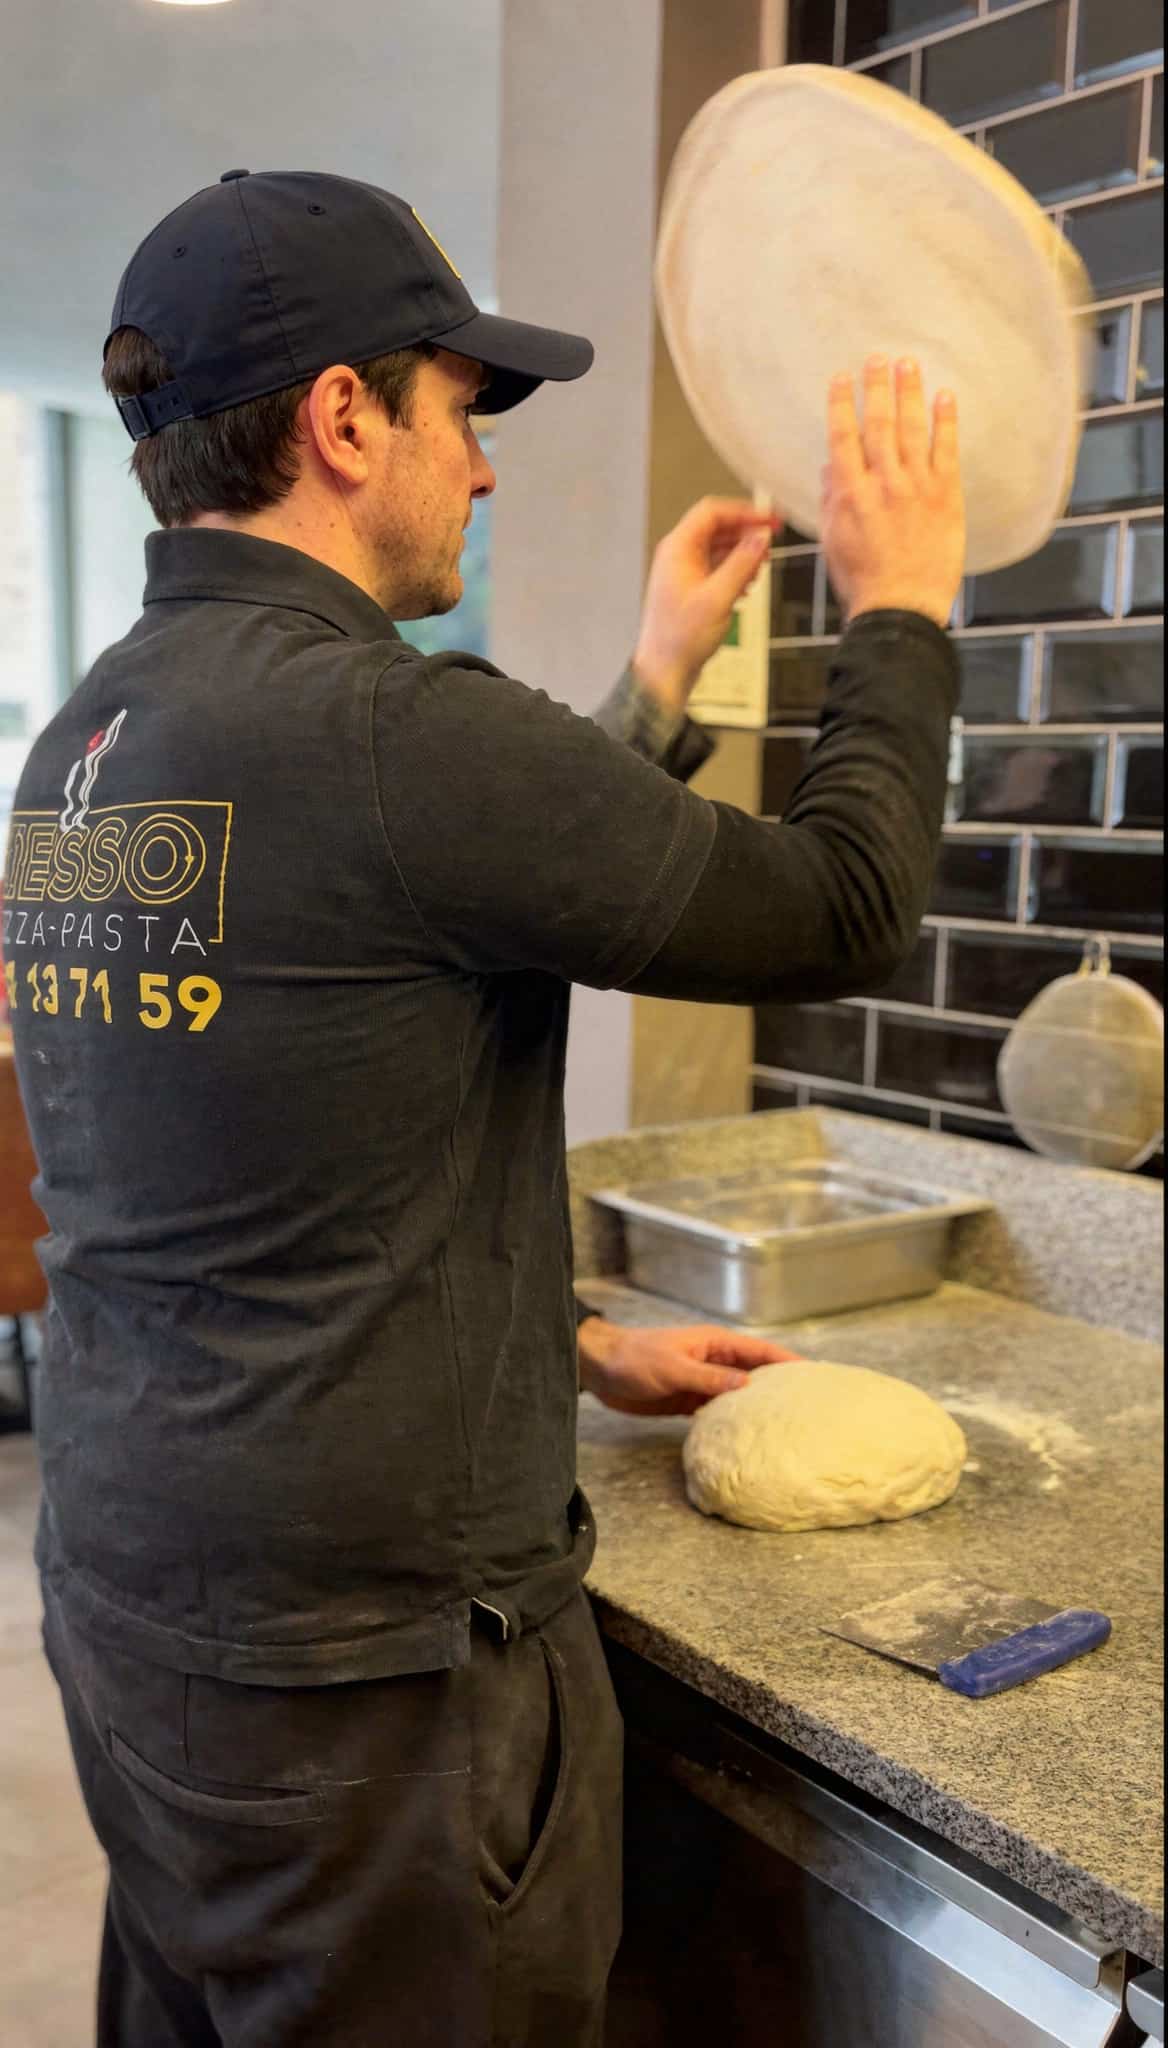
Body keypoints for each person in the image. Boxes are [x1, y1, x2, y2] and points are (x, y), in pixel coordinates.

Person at [4, 170, 965, 2047]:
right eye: (462, 406)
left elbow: (285, 1129)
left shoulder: (94, 740)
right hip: (369, 1686)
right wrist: (905, 607)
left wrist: (575, 1340)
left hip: (140, 1607)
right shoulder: (394, 729)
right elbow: (844, 906)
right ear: (343, 419)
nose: (488, 464)